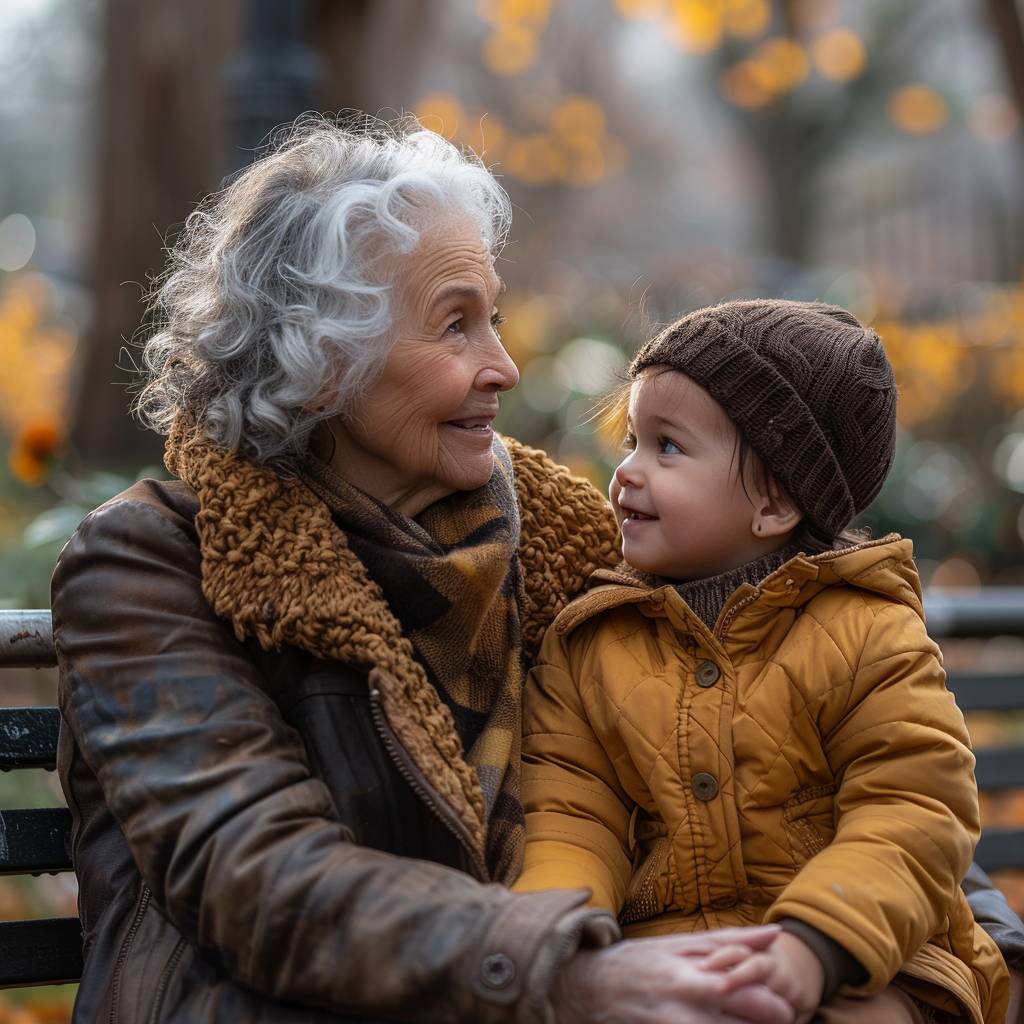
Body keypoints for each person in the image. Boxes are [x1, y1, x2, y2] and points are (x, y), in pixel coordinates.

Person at [51, 116, 798, 1024]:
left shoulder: (568, 540)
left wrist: (987, 951)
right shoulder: (151, 562)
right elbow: (261, 880)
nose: (506, 367)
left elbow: (820, 717)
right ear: (325, 360)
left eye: (496, 319)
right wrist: (562, 973)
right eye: (456, 327)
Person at [513, 300, 1013, 1023]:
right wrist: (563, 941)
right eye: (631, 440)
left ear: (775, 502)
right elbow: (568, 813)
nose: (625, 472)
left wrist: (813, 944)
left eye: (668, 447)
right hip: (667, 961)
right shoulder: (591, 641)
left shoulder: (869, 633)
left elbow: (911, 809)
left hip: (868, 963)